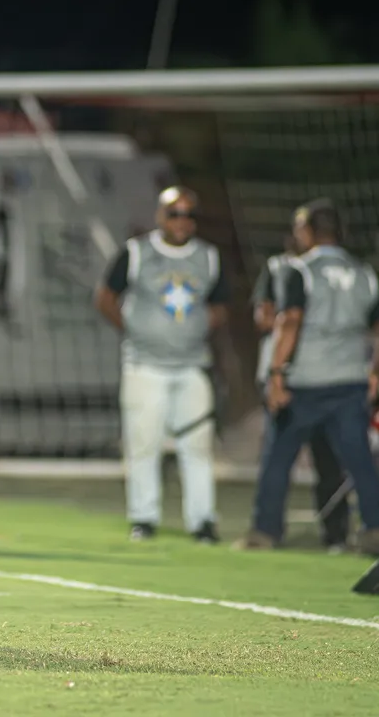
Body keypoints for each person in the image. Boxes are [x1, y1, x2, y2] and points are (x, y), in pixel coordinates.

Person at [237, 198, 379, 555]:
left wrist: (276, 374)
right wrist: (375, 371)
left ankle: (265, 531)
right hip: (349, 381)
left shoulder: (298, 270)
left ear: (308, 231)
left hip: (305, 383)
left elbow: (290, 322)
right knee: (359, 462)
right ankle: (374, 529)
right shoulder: (365, 273)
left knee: (278, 458)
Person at [94, 186, 227, 543]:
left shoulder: (209, 256)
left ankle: (202, 521)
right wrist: (134, 331)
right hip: (145, 364)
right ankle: (144, 517)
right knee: (143, 442)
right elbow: (105, 297)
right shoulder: (136, 252)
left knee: (197, 446)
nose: (182, 221)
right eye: (175, 213)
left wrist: (194, 333)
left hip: (192, 365)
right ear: (160, 216)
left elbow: (219, 305)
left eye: (189, 214)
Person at [251, 234, 350, 551]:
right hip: (297, 379)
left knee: (326, 460)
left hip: (316, 379)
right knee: (281, 458)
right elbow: (264, 316)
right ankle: (269, 529)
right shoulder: (281, 268)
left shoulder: (337, 273)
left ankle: (334, 533)